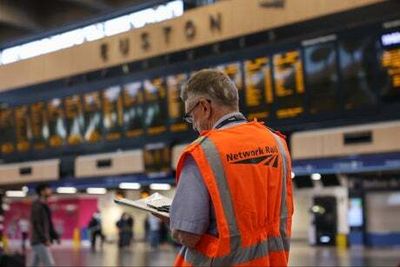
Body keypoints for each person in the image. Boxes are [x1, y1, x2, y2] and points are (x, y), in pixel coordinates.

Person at [169, 69, 294, 266]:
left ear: (204, 107)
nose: (193, 125)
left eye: (191, 116)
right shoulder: (276, 143)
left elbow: (188, 234)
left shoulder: (203, 152)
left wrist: (171, 220)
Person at [30, 183, 60, 267]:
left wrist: (55, 236)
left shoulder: (44, 205)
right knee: (49, 264)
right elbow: (37, 224)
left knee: (34, 264)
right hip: (38, 240)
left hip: (40, 240)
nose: (50, 191)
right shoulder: (37, 205)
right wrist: (44, 239)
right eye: (48, 189)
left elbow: (49, 223)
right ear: (42, 192)